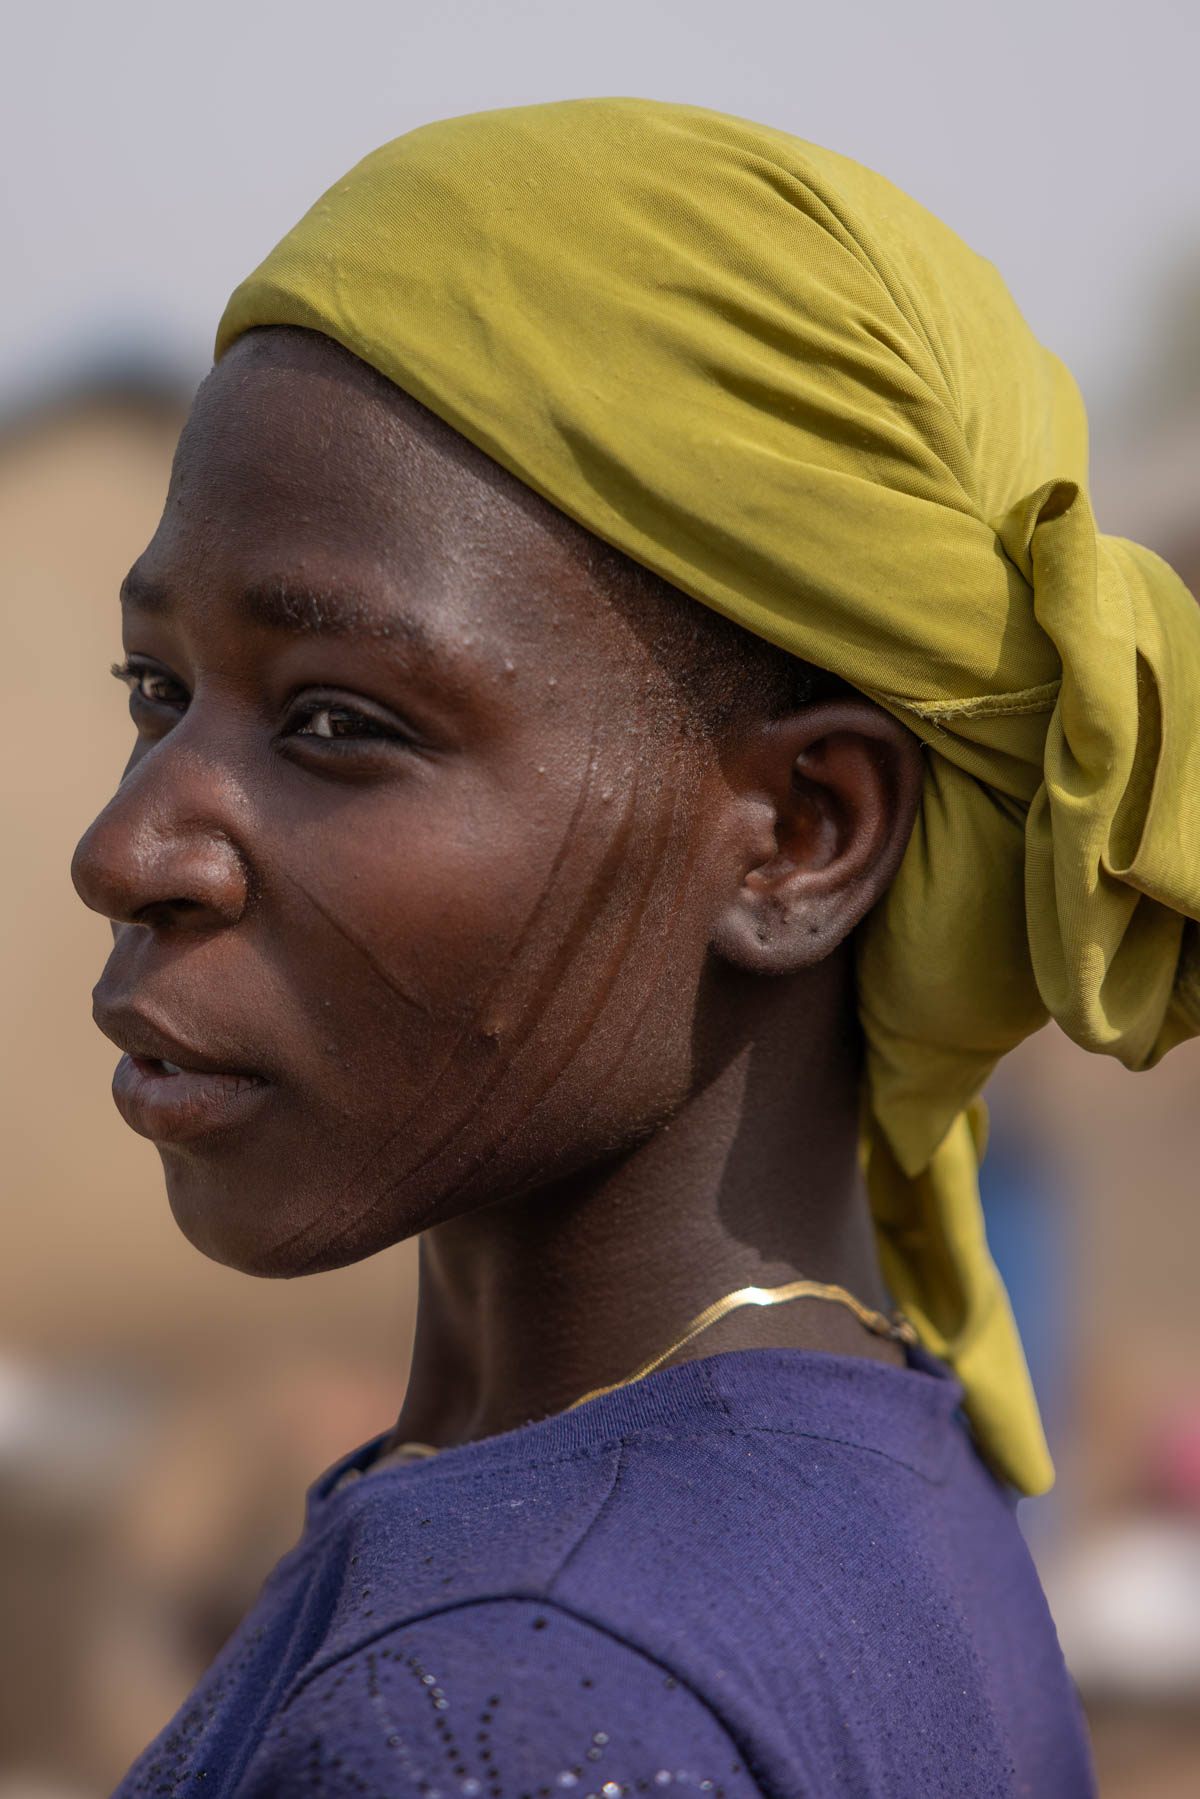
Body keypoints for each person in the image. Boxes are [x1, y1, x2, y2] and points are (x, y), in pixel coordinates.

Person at [70, 99, 1200, 1797]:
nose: (126, 849)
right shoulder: (863, 1456)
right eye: (159, 694)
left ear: (802, 834)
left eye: (333, 723)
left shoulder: (503, 1708)